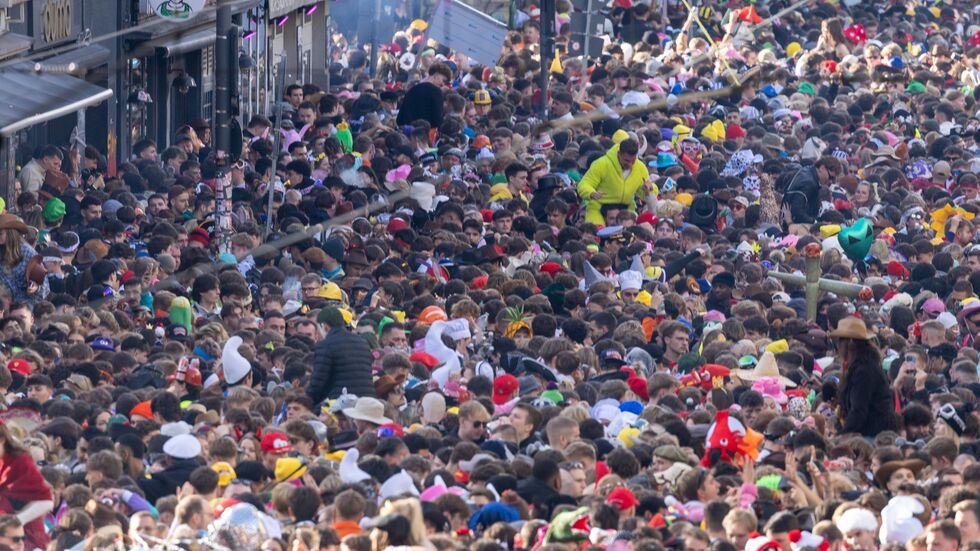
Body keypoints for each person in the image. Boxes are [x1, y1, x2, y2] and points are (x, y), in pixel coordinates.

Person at [829, 317, 901, 436]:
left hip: (873, 433)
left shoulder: (864, 371)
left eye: (840, 340)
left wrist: (841, 435)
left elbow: (858, 410)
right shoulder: (861, 367)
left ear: (849, 343)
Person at [0, 422, 53, 551]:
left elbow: (46, 501)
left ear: (2, 440)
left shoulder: (20, 462)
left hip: (22, 538)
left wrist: (17, 521)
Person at [307, 307, 375, 404]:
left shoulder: (325, 345)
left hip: (341, 401)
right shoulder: (362, 342)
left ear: (324, 326)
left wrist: (306, 400)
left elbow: (318, 382)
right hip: (368, 400)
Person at [577, 138, 650, 225]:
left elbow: (648, 191)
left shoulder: (640, 168)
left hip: (626, 212)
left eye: (633, 160)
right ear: (619, 154)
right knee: (597, 235)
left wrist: (649, 189)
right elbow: (584, 184)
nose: (630, 164)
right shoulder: (602, 164)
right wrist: (591, 193)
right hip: (599, 210)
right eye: (626, 160)